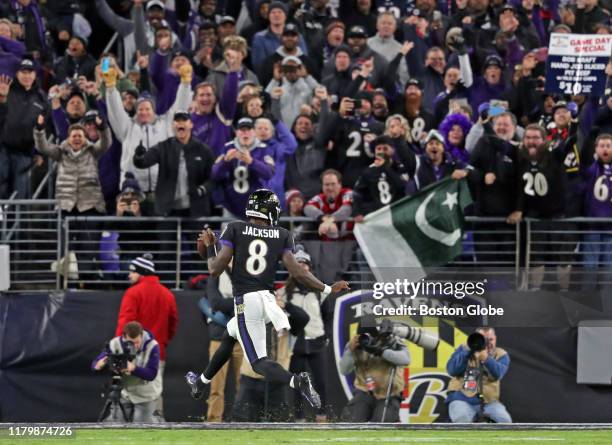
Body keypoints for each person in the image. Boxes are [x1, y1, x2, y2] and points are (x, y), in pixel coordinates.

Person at [185, 189, 350, 410]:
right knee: (230, 334)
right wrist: (328, 288)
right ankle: (201, 382)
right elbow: (299, 273)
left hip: (248, 302)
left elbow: (214, 269)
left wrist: (211, 249)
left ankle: (296, 381)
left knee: (258, 363)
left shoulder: (235, 228)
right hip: (267, 302)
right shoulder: (282, 234)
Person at [104, 65, 193, 209]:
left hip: (162, 190)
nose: (143, 112)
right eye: (140, 109)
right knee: (135, 230)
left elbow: (180, 106)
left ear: (153, 110)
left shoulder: (166, 124)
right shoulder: (127, 127)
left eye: (147, 109)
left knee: (160, 231)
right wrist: (110, 88)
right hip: (132, 191)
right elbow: (115, 110)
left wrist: (185, 84)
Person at [507, 124, 572, 291]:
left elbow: (571, 142)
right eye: (528, 137)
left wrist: (574, 122)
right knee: (536, 258)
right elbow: (519, 189)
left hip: (559, 217)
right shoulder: (519, 159)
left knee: (563, 259)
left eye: (536, 138)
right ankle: (535, 294)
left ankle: (565, 294)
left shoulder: (555, 155)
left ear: (544, 140)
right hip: (535, 218)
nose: (531, 141)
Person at [115, 254, 178, 418]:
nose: (129, 275)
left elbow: (125, 326)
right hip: (158, 355)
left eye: (132, 271)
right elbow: (173, 325)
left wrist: (120, 353)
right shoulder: (168, 295)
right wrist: (162, 343)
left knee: (127, 398)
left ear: (142, 273)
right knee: (154, 396)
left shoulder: (132, 293)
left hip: (133, 356)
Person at [278, 246, 330, 421]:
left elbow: (327, 316)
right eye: (298, 264)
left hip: (317, 342)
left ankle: (322, 416)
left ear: (310, 268)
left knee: (321, 382)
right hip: (296, 344)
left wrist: (326, 336)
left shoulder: (319, 291)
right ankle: (299, 417)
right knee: (298, 384)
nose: (302, 267)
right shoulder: (283, 293)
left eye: (305, 264)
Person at [133, 111, 215, 218]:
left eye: (184, 120)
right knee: (166, 234)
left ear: (191, 124)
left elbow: (213, 178)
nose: (180, 123)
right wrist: (139, 155)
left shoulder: (203, 150)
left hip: (195, 209)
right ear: (173, 125)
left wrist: (201, 190)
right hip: (167, 210)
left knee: (198, 235)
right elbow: (142, 163)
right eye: (177, 121)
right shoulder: (163, 147)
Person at [339, 319, 410, 422]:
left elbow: (405, 359)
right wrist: (350, 351)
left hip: (389, 394)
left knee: (382, 424)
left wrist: (381, 351)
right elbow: (344, 370)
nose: (370, 340)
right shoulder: (357, 343)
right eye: (366, 336)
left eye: (373, 337)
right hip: (364, 391)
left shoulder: (392, 341)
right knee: (352, 420)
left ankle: (393, 417)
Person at [92, 321, 161, 423]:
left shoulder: (152, 345)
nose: (135, 346)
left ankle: (157, 419)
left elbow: (151, 374)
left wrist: (133, 368)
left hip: (146, 396)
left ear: (142, 335)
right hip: (125, 394)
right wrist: (97, 365)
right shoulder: (115, 344)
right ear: (124, 337)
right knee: (117, 424)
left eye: (137, 342)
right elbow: (95, 363)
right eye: (131, 342)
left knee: (142, 427)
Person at [0, 59, 49, 199]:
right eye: (23, 72)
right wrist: (2, 99)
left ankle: (17, 222)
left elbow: (44, 128)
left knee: (20, 192)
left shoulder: (42, 99)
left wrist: (39, 152)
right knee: (1, 189)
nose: (26, 76)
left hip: (25, 153)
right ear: (17, 74)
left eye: (30, 72)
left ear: (35, 75)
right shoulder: (5, 90)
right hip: (2, 149)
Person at [211, 117, 275, 218]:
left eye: (248, 130)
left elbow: (268, 174)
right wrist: (225, 161)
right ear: (236, 132)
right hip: (231, 207)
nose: (245, 133)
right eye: (242, 130)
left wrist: (252, 162)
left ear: (254, 132)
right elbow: (214, 174)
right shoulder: (228, 147)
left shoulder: (263, 149)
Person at [204, 262, 244, 422]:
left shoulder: (246, 276)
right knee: (215, 387)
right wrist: (239, 304)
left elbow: (222, 304)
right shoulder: (215, 275)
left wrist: (227, 304)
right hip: (219, 338)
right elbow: (215, 303)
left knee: (244, 385)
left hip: (241, 339)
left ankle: (243, 420)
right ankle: (214, 421)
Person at [446, 327, 512, 423]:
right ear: (475, 339)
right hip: (462, 399)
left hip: (489, 402)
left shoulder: (501, 354)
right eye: (483, 339)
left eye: (490, 339)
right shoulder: (464, 349)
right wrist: (467, 351)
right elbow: (451, 370)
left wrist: (487, 359)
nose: (487, 343)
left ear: (495, 339)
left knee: (505, 421)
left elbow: (498, 374)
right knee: (462, 418)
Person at [304, 169, 354, 241]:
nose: (330, 188)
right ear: (322, 186)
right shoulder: (320, 198)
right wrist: (324, 218)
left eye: (333, 184)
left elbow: (347, 208)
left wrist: (330, 220)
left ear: (340, 185)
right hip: (327, 245)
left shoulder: (347, 193)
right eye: (327, 184)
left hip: (350, 243)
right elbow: (307, 208)